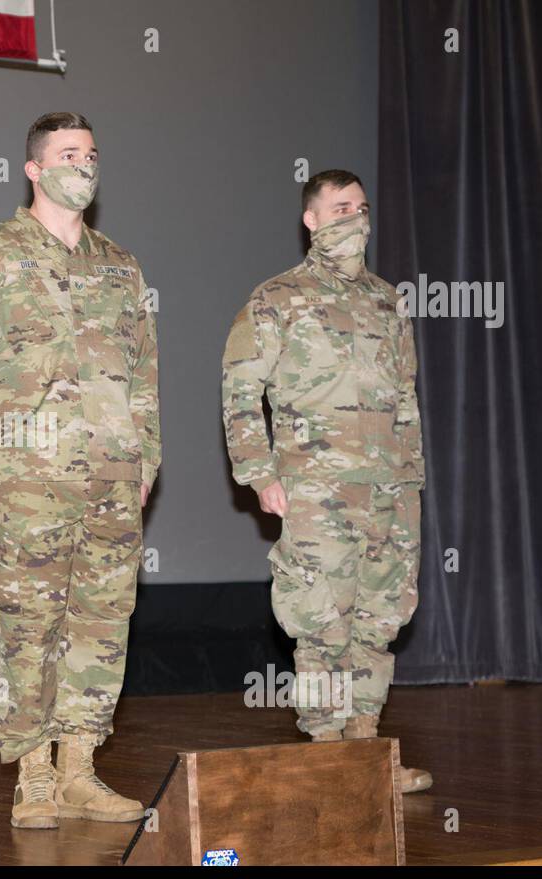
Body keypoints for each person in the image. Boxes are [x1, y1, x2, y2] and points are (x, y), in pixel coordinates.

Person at [0, 112, 161, 828]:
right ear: (33, 169)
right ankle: (34, 775)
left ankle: (81, 768)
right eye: (68, 154)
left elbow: (144, 373)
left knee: (101, 622)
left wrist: (145, 458)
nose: (84, 165)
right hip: (29, 480)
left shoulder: (120, 264)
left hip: (112, 484)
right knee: (28, 624)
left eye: (91, 153)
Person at [221, 169, 431, 793]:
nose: (355, 219)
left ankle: (367, 755)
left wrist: (412, 478)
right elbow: (239, 391)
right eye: (340, 209)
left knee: (379, 620)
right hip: (316, 489)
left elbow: (406, 398)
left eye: (362, 208)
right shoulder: (276, 299)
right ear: (310, 220)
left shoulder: (388, 300)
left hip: (390, 489)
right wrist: (260, 474)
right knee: (320, 621)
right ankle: (325, 754)